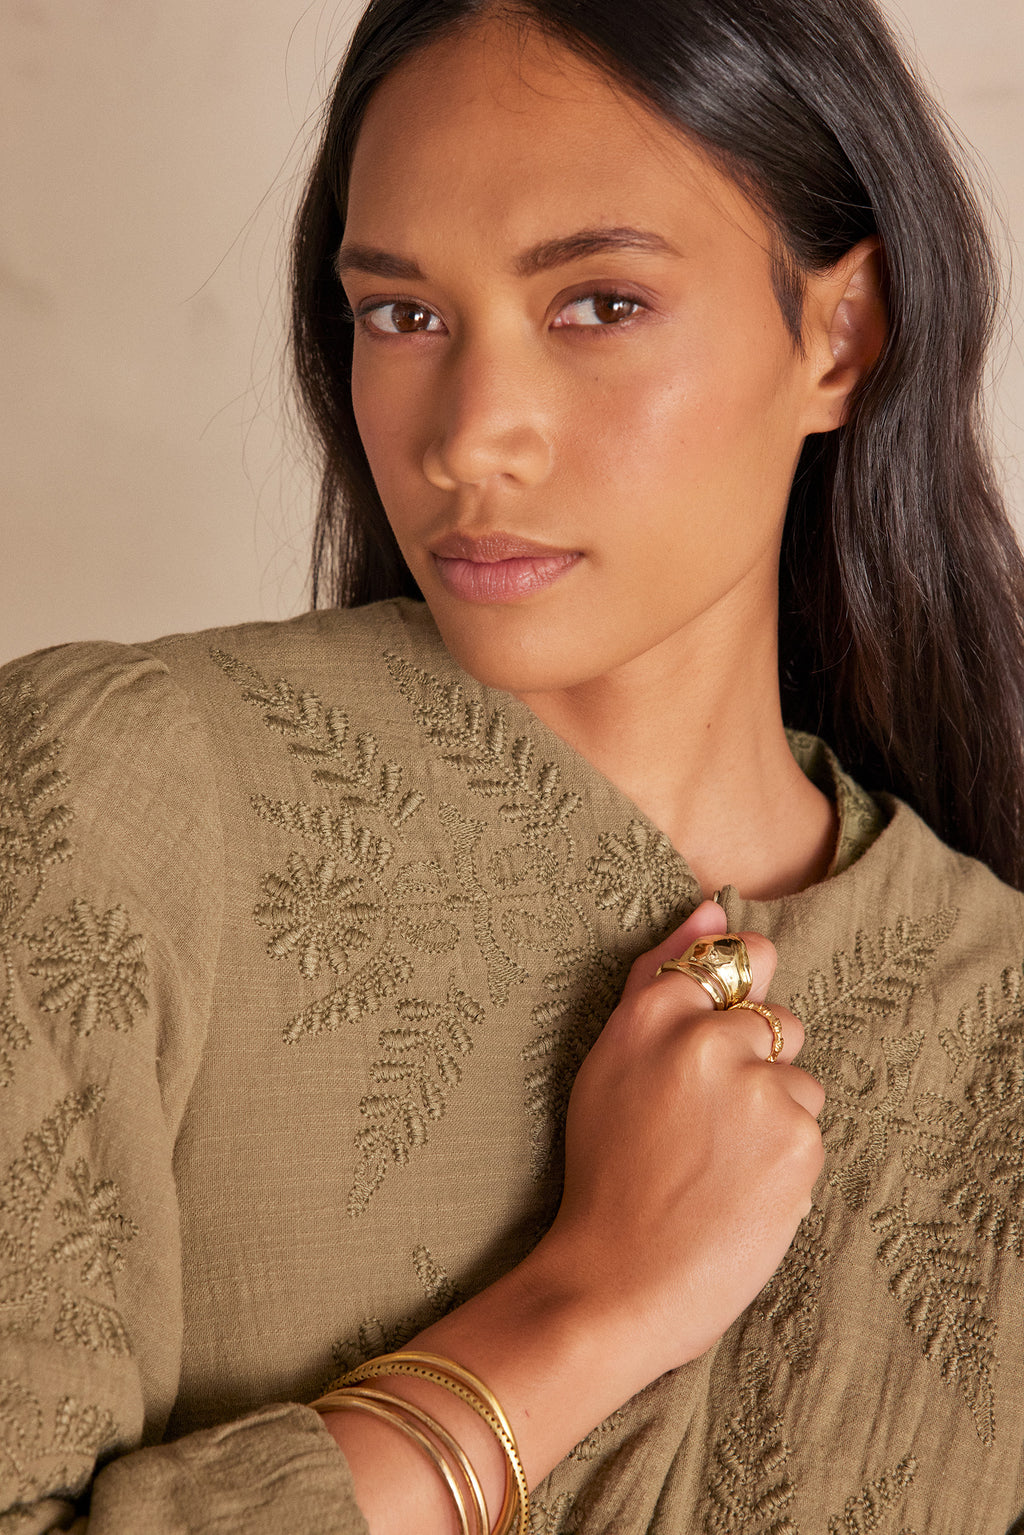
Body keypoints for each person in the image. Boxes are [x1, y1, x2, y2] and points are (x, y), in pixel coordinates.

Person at [2, 0, 1024, 1529]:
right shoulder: (117, 809)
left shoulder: (998, 1020)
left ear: (843, 333)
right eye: (402, 315)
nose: (471, 439)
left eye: (600, 304)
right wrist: (588, 1307)